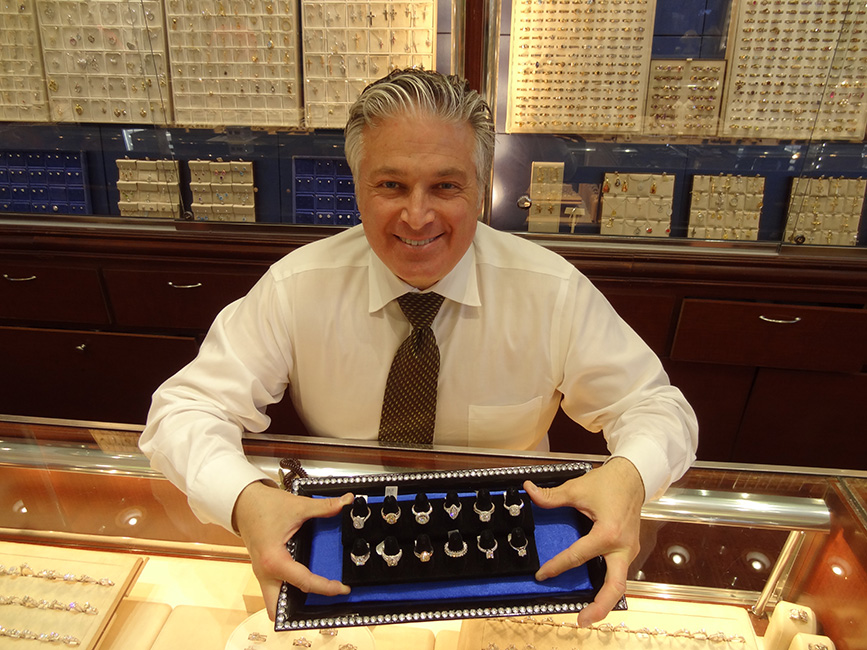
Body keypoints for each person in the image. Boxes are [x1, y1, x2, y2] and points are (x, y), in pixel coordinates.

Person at [140, 68, 698, 626]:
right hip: (341, 543)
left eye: (446, 186)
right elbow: (183, 411)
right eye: (391, 186)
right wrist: (242, 500)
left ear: (482, 191)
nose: (417, 216)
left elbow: (655, 408)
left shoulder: (551, 291)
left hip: (509, 550)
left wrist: (630, 475)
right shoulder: (296, 287)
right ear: (357, 186)